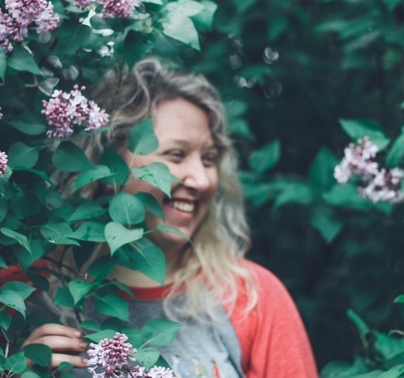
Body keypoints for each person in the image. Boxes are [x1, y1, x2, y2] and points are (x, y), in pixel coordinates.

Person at [20, 59, 318, 377]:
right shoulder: (24, 291)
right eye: (176, 154)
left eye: (209, 159)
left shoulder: (250, 296)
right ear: (108, 165)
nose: (201, 180)